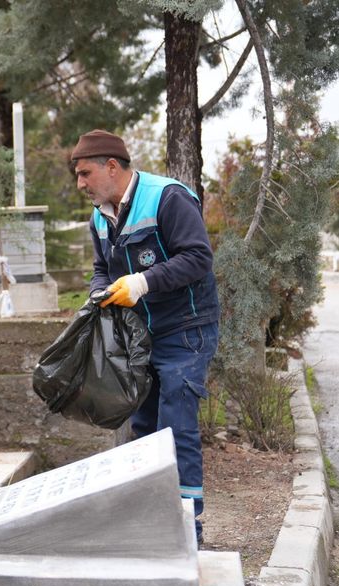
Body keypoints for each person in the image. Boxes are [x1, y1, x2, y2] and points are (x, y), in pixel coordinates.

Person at [71, 129, 220, 545]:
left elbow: (198, 257)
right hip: (140, 337)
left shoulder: (167, 198)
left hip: (186, 329)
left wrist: (142, 282)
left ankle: (187, 531)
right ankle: (154, 525)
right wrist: (99, 292)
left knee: (175, 425)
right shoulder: (100, 216)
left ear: (111, 167)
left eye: (84, 173)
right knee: (145, 428)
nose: (80, 184)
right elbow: (102, 268)